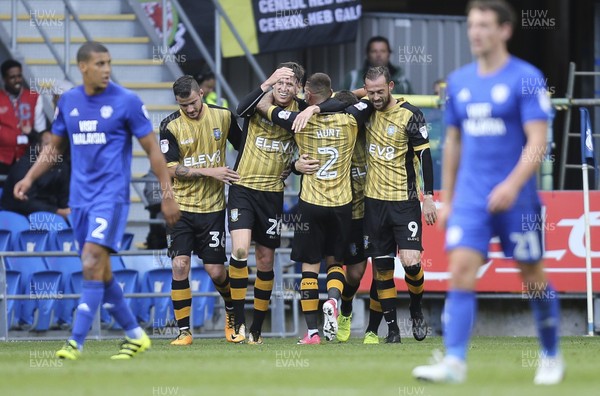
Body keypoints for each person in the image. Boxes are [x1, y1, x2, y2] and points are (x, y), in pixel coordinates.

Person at [412, 0, 563, 385]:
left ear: (504, 30)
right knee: (461, 270)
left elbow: (538, 141)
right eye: (471, 25)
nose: (475, 32)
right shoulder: (460, 81)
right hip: (471, 200)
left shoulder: (526, 77)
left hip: (518, 200)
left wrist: (512, 185)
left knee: (532, 277)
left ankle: (549, 353)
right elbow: (455, 142)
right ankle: (455, 362)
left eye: (483, 25)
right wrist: (447, 196)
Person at [14, 41, 180, 360]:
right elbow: (54, 148)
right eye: (100, 63)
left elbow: (153, 151)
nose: (107, 69)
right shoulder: (70, 102)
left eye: (109, 63)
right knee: (99, 270)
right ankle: (135, 335)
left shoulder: (126, 101)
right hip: (80, 201)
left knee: (91, 259)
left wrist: (167, 195)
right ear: (83, 67)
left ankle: (74, 342)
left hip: (111, 198)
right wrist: (29, 178)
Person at [256, 73, 372, 344]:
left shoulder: (297, 120)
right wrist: (328, 100)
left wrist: (290, 95)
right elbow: (367, 95)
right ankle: (332, 301)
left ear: (308, 95)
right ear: (330, 93)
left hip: (311, 204)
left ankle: (312, 333)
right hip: (342, 205)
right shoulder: (351, 118)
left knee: (309, 267)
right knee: (336, 262)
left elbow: (262, 106)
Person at [356, 66, 437, 344]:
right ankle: (392, 331)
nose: (376, 97)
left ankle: (416, 308)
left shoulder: (411, 114)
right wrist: (362, 96)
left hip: (405, 202)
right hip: (374, 202)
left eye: (380, 91)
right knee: (381, 267)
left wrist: (428, 197)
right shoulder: (364, 109)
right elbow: (335, 98)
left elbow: (425, 156)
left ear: (391, 86)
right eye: (371, 92)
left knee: (411, 263)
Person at [160, 75, 242, 346]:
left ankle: (232, 312)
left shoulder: (223, 117)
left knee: (216, 271)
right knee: (179, 265)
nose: (191, 109)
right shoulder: (170, 125)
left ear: (202, 93)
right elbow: (170, 168)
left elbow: (244, 147)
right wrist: (211, 171)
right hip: (181, 208)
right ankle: (184, 332)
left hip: (212, 208)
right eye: (184, 106)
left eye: (194, 103)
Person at [226, 63, 303, 344]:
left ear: (298, 88)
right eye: (279, 82)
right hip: (243, 187)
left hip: (271, 194)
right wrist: (266, 83)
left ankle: (256, 329)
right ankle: (238, 322)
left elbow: (296, 137)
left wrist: (293, 166)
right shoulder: (258, 101)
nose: (283, 88)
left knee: (266, 261)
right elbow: (239, 109)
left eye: (289, 83)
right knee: (240, 250)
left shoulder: (302, 112)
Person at [1, 130, 70, 217]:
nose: (51, 151)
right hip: (17, 215)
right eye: (47, 146)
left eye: (55, 147)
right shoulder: (23, 166)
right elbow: (26, 203)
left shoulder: (62, 167)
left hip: (52, 215)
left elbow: (65, 199)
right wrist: (57, 211)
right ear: (38, 147)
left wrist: (67, 211)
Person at [0, 59, 47, 182]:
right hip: (2, 158)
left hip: (27, 157)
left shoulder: (34, 97)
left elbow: (42, 134)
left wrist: (31, 132)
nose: (17, 80)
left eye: (19, 76)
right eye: (12, 77)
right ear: (4, 79)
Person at [343, 36, 412, 94]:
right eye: (374, 51)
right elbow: (340, 101)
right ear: (368, 54)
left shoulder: (401, 79)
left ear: (389, 53)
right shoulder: (353, 78)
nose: (378, 55)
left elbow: (414, 104)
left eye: (383, 51)